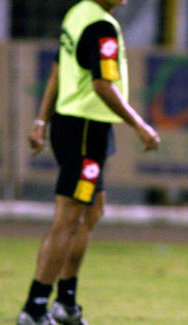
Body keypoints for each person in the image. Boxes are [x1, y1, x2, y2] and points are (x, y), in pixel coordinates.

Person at [18, 1, 160, 324]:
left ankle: (65, 303)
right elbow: (102, 85)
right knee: (68, 219)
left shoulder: (78, 12)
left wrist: (42, 120)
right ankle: (34, 308)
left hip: (75, 127)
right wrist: (141, 125)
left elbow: (58, 68)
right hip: (84, 133)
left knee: (92, 211)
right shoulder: (102, 28)